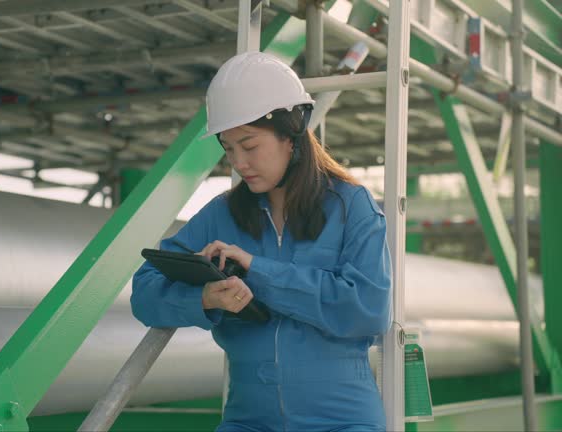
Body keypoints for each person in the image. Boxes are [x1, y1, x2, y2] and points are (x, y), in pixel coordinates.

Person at [131, 51, 391, 432]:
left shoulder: (351, 206)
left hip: (342, 420)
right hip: (249, 421)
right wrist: (204, 299)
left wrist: (257, 269)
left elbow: (367, 309)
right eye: (228, 148)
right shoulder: (221, 214)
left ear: (291, 133)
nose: (238, 162)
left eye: (249, 146)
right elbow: (144, 292)